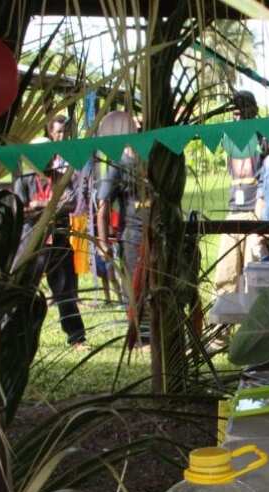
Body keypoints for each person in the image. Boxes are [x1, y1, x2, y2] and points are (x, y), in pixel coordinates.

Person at [14, 132, 87, 348]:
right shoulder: (24, 180)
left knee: (66, 293)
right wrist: (49, 206)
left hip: (59, 242)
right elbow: (19, 210)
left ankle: (77, 337)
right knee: (25, 291)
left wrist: (40, 206)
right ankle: (19, 336)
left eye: (48, 154)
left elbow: (71, 203)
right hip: (32, 245)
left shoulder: (61, 177)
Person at [95, 111, 150, 333]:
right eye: (136, 126)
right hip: (132, 237)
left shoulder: (154, 158)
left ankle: (153, 332)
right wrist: (102, 243)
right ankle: (139, 334)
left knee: (154, 284)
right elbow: (103, 206)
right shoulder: (118, 164)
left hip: (156, 232)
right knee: (134, 288)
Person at [213, 91, 266, 295]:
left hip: (255, 210)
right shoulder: (228, 138)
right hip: (234, 209)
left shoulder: (262, 137)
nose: (238, 118)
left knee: (253, 271)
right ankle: (226, 311)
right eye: (235, 113)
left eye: (242, 112)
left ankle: (252, 310)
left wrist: (261, 210)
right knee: (226, 273)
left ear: (252, 112)